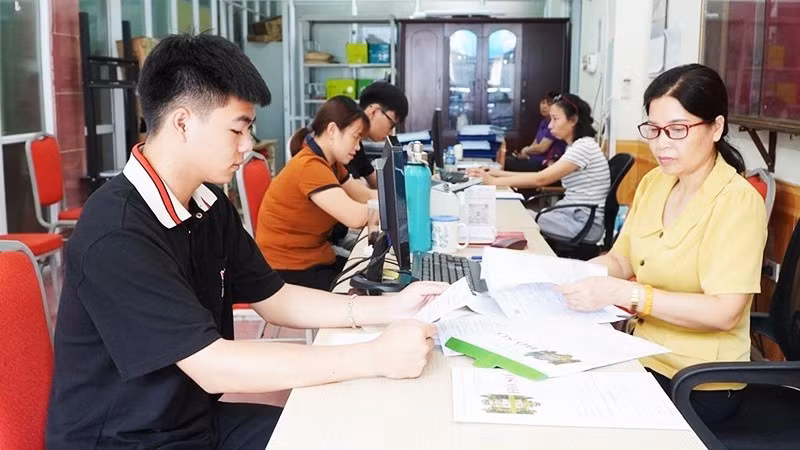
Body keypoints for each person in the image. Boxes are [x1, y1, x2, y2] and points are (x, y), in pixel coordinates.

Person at [46, 34, 445, 450]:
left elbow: (275, 298)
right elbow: (212, 365)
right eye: (237, 128)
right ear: (182, 122)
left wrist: (394, 306)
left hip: (191, 421)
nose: (247, 146)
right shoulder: (118, 231)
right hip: (124, 439)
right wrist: (374, 357)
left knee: (346, 429)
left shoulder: (206, 201)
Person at [558, 64, 767, 424]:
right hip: (642, 353)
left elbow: (724, 312)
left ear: (716, 127)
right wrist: (575, 274)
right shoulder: (656, 181)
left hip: (698, 381)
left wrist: (626, 295)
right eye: (653, 129)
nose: (661, 143)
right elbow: (622, 260)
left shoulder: (737, 201)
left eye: (677, 130)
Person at [256, 96, 378, 291]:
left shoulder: (331, 163)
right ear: (332, 131)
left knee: (369, 273)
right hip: (289, 267)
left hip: (312, 255)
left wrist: (400, 199)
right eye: (355, 137)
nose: (357, 147)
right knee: (364, 288)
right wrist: (392, 208)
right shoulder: (310, 166)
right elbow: (354, 217)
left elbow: (362, 194)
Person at [468, 93, 610, 243]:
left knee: (519, 219)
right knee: (519, 216)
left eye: (555, 119)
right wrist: (498, 173)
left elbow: (540, 179)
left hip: (582, 224)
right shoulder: (577, 146)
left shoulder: (583, 148)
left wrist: (492, 182)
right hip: (571, 216)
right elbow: (541, 174)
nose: (550, 125)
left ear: (573, 120)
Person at [347, 81, 409, 188]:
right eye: (391, 124)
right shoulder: (346, 144)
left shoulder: (358, 146)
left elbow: (376, 182)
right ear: (374, 112)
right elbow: (355, 193)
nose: (390, 133)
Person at [504, 91, 567, 172]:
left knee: (506, 162)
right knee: (507, 159)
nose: (544, 106)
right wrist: (526, 155)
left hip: (545, 164)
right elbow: (535, 144)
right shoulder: (544, 122)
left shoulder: (555, 125)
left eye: (549, 104)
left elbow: (542, 148)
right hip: (535, 159)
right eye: (543, 102)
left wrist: (526, 150)